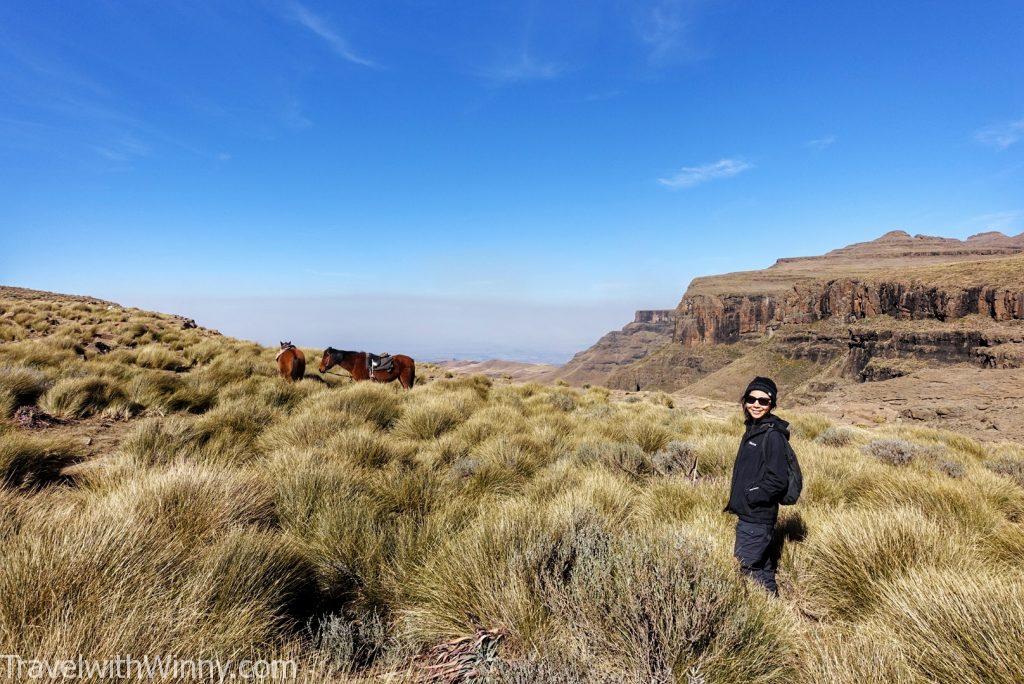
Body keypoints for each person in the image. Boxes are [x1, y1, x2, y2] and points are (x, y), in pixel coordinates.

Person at [723, 376, 790, 595]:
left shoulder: (772, 436)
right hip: (753, 516)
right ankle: (774, 609)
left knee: (747, 567)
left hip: (756, 517)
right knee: (763, 567)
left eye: (764, 401)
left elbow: (778, 480)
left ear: (772, 405)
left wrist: (750, 495)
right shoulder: (754, 429)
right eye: (752, 399)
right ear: (744, 401)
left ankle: (760, 613)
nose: (756, 405)